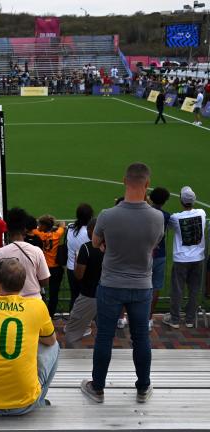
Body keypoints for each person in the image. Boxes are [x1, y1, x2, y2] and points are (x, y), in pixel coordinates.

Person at [81, 163, 163, 404]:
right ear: (147, 184)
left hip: (111, 284)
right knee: (141, 338)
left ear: (124, 181)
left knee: (104, 336)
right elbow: (153, 245)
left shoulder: (108, 215)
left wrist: (109, 245)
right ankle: (143, 386)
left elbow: (95, 243)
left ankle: (98, 387)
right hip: (141, 286)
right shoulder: (157, 217)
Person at [0, 258, 59, 415]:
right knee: (54, 346)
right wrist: (32, 333)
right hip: (24, 405)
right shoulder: (37, 306)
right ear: (22, 284)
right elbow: (50, 340)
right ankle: (39, 399)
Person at [162, 186, 206, 329]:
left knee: (177, 289)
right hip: (198, 258)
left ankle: (174, 319)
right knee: (194, 289)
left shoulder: (176, 218)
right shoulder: (201, 213)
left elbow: (168, 225)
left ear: (181, 200)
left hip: (181, 259)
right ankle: (190, 319)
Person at [0, 208, 50, 299]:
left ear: (7, 228)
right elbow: (44, 281)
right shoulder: (36, 251)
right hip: (32, 302)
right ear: (25, 229)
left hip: (8, 304)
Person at [63, 219, 103, 348]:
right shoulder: (113, 247)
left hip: (89, 295)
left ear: (92, 231)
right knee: (105, 333)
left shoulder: (87, 248)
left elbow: (79, 275)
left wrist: (75, 262)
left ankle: (76, 362)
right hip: (109, 295)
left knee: (71, 333)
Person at [33, 215, 66, 317]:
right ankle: (50, 315)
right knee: (54, 293)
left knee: (36, 290)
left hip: (42, 268)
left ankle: (39, 312)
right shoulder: (57, 234)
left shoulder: (38, 234)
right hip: (55, 268)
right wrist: (57, 226)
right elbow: (63, 224)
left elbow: (34, 229)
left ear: (43, 225)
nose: (38, 226)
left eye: (40, 224)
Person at [148, 187, 170, 330]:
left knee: (136, 284)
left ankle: (124, 317)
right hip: (160, 254)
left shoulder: (145, 213)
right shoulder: (167, 216)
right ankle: (148, 319)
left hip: (144, 254)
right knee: (155, 286)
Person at [66, 203, 94, 312]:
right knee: (86, 297)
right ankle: (84, 324)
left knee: (74, 296)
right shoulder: (90, 233)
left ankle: (72, 321)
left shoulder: (70, 228)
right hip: (85, 269)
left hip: (71, 268)